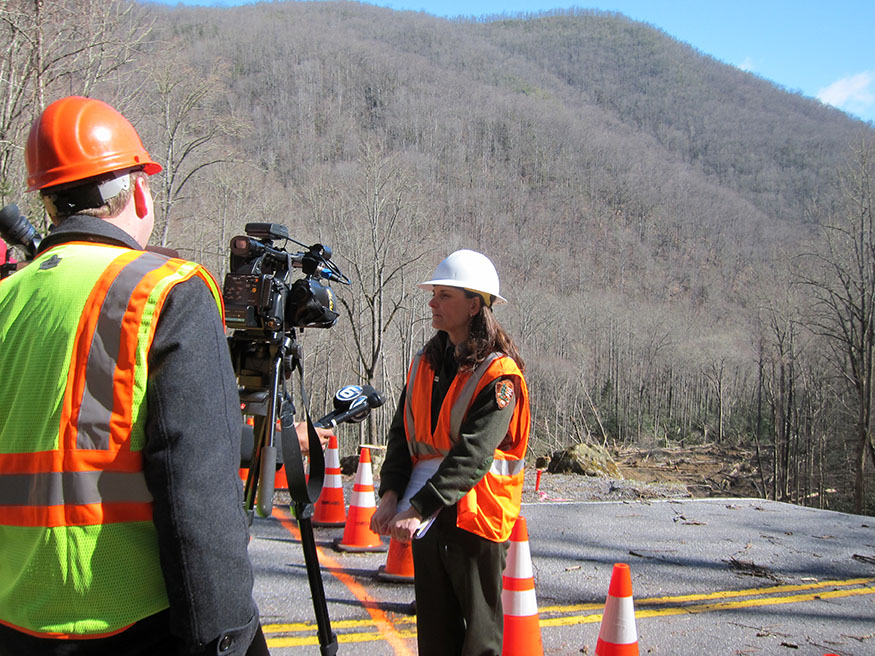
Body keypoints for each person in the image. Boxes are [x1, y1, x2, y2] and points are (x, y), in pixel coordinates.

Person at [0, 96, 268, 655]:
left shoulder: (8, 297)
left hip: (14, 619)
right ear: (139, 190)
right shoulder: (165, 291)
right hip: (128, 622)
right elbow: (197, 493)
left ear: (50, 203)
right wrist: (227, 636)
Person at [370, 249, 531, 656]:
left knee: (478, 640)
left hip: (475, 521)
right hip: (427, 518)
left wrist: (417, 507)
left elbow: (473, 455)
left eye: (444, 294)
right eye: (434, 293)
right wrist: (390, 496)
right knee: (436, 634)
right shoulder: (425, 363)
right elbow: (402, 434)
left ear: (474, 305)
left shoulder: (500, 377)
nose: (432, 302)